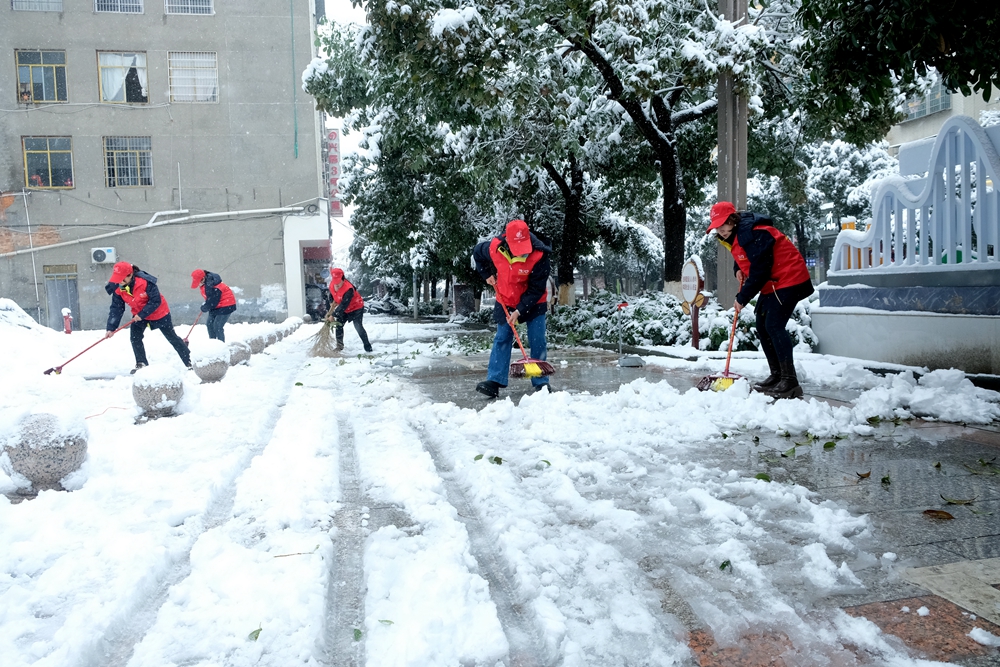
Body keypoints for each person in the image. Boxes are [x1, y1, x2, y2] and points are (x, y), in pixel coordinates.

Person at [707, 202, 814, 399]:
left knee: (774, 325)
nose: (720, 229)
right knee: (762, 326)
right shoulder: (736, 236)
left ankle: (790, 382)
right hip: (774, 283)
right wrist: (737, 269)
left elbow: (761, 269)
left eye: (723, 223)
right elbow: (745, 257)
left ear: (732, 219)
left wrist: (742, 298)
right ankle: (777, 376)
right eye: (717, 225)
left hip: (789, 277)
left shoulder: (752, 233)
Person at [472, 218, 552, 398]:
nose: (523, 252)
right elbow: (477, 253)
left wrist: (519, 311)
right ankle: (494, 381)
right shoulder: (494, 247)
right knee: (502, 337)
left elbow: (536, 289)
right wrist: (487, 274)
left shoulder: (539, 255)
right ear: (507, 242)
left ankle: (541, 382)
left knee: (537, 338)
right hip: (506, 298)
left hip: (534, 301)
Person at [104, 261, 192, 373]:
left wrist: (142, 314)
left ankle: (189, 361)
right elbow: (116, 308)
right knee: (135, 338)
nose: (120, 281)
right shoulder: (117, 288)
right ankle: (141, 363)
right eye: (118, 278)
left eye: (122, 278)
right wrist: (111, 327)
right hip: (138, 315)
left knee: (172, 338)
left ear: (130, 275)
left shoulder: (145, 282)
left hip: (159, 313)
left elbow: (156, 301)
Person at [327, 268, 373, 353]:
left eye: (338, 282)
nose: (336, 284)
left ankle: (367, 346)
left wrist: (333, 315)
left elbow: (344, 304)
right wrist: (331, 302)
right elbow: (331, 294)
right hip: (344, 309)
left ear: (343, 279)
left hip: (356, 307)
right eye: (335, 282)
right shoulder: (332, 285)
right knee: (339, 325)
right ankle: (339, 346)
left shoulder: (349, 289)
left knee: (358, 326)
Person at [191, 269, 237, 341]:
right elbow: (210, 299)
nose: (198, 284)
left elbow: (214, 300)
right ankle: (213, 343)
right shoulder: (206, 284)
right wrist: (206, 305)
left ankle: (220, 346)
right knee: (209, 324)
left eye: (198, 281)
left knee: (217, 326)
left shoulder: (213, 285)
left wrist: (206, 307)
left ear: (203, 278)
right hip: (216, 306)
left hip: (226, 305)